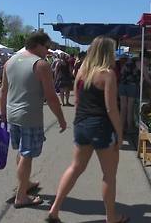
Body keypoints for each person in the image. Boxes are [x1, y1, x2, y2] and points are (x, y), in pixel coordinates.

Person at [48, 36, 128, 223]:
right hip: (102, 126)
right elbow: (111, 108)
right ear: (107, 52)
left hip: (82, 125)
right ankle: (111, 217)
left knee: (75, 167)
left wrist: (79, 122)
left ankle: (55, 209)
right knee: (109, 175)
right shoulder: (108, 74)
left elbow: (77, 101)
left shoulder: (82, 71)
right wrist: (119, 132)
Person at [0, 31, 67, 209]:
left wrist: (2, 113)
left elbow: (3, 91)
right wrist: (61, 118)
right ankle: (21, 196)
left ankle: (26, 183)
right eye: (47, 47)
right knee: (27, 155)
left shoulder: (10, 62)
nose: (48, 51)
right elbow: (51, 97)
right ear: (37, 45)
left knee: (22, 153)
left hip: (12, 114)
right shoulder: (41, 65)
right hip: (29, 116)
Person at [118, 57, 140, 134]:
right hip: (132, 86)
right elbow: (145, 77)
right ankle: (129, 128)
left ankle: (120, 128)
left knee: (123, 108)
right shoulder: (139, 64)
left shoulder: (126, 64)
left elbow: (121, 72)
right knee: (130, 108)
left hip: (122, 85)